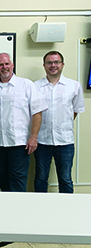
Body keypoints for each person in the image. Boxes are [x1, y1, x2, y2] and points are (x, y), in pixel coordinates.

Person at [0, 53, 47, 192]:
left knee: (18, 178)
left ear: (12, 65)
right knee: (3, 177)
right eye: (1, 65)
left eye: (7, 64)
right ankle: (7, 209)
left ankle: (19, 210)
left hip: (19, 142)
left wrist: (34, 137)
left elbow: (37, 112)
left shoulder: (26, 84)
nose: (4, 67)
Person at [34, 51, 85, 193]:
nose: (53, 65)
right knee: (40, 178)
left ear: (62, 64)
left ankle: (67, 211)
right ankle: (40, 208)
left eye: (56, 62)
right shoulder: (35, 86)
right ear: (44, 65)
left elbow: (75, 111)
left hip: (65, 141)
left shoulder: (74, 86)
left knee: (65, 179)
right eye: (49, 63)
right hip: (42, 141)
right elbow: (32, 113)